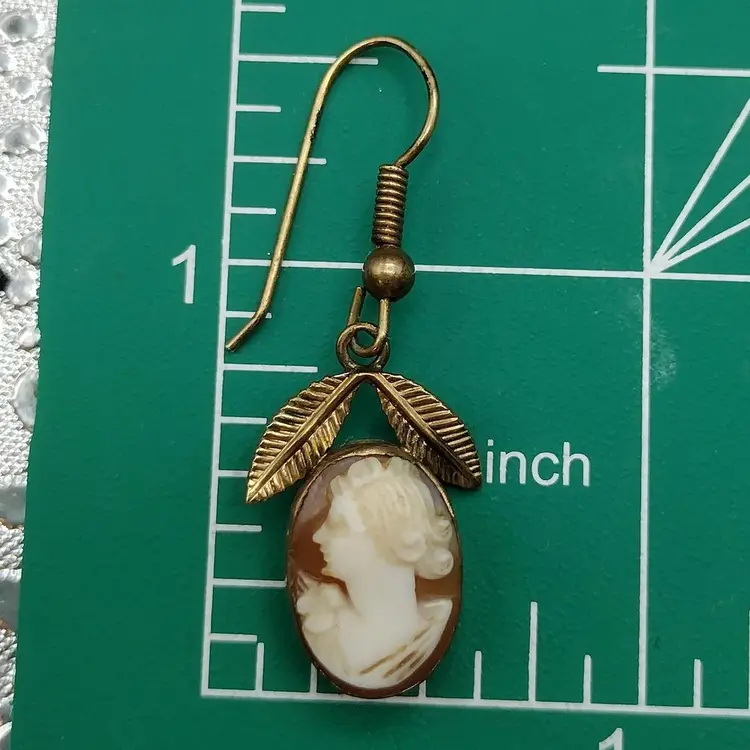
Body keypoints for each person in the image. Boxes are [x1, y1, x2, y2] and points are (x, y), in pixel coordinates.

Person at [294, 455, 456, 690]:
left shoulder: (431, 635)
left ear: (392, 537)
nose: (318, 536)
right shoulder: (323, 629)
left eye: (337, 525)